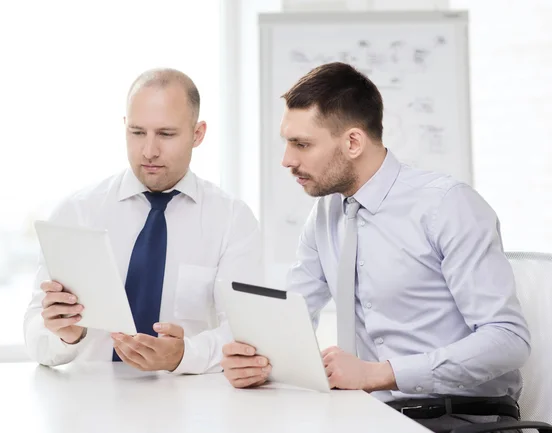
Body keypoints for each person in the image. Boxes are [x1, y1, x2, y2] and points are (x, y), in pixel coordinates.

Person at [220, 62, 530, 433]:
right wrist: (256, 359)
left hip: (460, 418)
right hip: (367, 416)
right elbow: (293, 314)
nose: (287, 160)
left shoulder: (447, 206)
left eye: (301, 144)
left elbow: (509, 340)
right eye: (287, 142)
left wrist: (380, 374)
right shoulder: (326, 212)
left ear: (353, 142)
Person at [24, 68, 261, 374]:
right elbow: (35, 333)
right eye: (137, 133)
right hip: (90, 411)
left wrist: (184, 355)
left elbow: (246, 333)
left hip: (189, 409)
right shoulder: (77, 213)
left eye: (166, 134)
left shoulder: (232, 220)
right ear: (125, 127)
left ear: (197, 133)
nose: (149, 151)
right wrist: (65, 336)